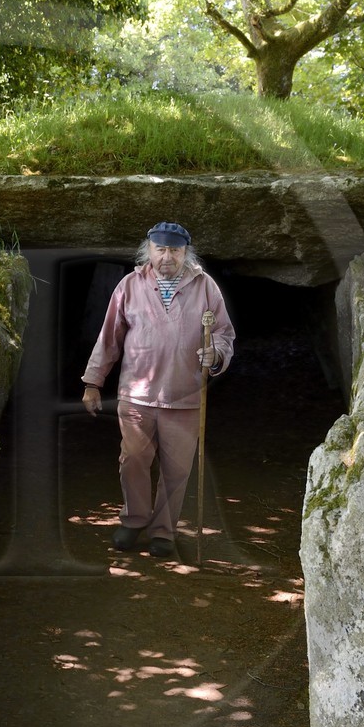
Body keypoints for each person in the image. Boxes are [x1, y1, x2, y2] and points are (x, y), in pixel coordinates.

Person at [81, 221, 235, 560]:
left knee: (177, 470)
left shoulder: (205, 286)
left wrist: (216, 354)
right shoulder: (129, 285)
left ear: (186, 252)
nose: (167, 256)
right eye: (160, 249)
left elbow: (224, 333)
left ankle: (164, 531)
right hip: (136, 394)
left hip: (185, 396)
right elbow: (109, 339)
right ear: (148, 250)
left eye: (175, 250)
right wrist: (93, 383)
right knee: (133, 460)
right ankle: (134, 519)